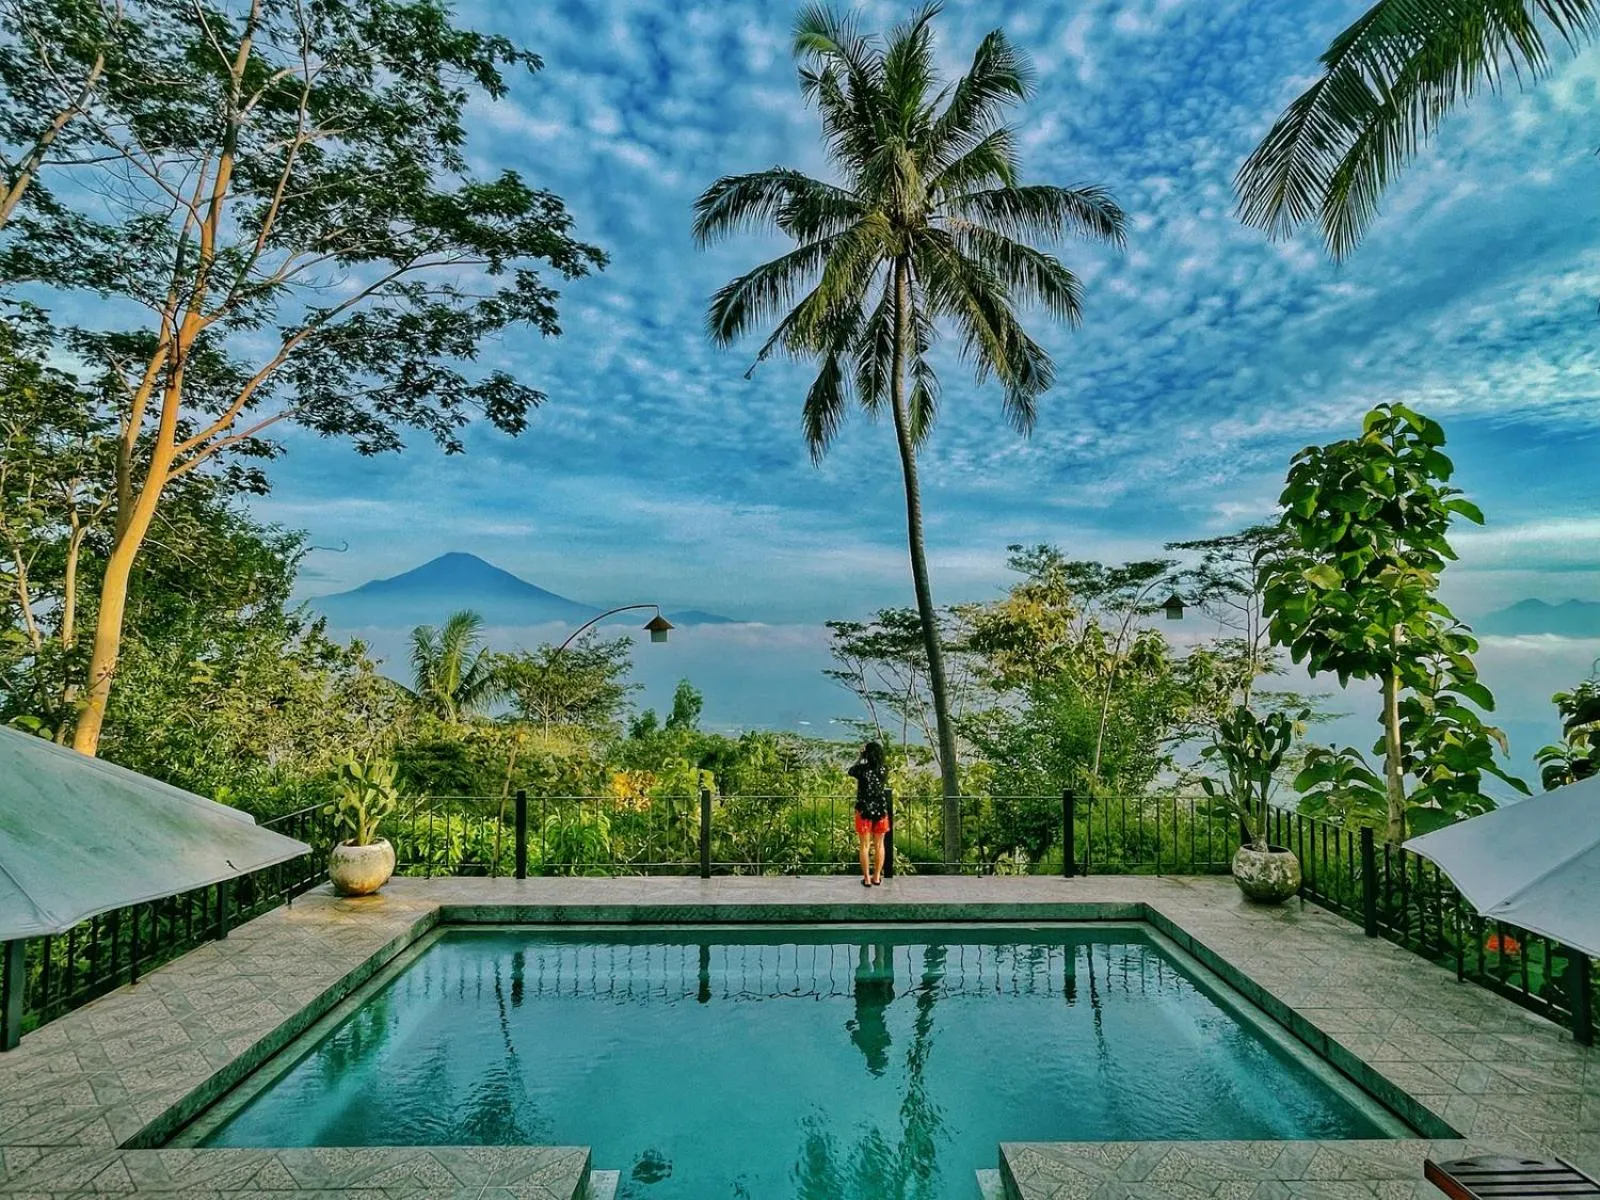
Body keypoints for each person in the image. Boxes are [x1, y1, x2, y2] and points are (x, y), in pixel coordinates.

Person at [847, 741, 890, 887]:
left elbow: (850, 771)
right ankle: (877, 876)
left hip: (864, 809)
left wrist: (861, 757)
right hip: (880, 809)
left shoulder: (861, 769)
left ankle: (866, 878)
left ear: (867, 754)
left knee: (864, 845)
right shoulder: (884, 769)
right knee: (879, 845)